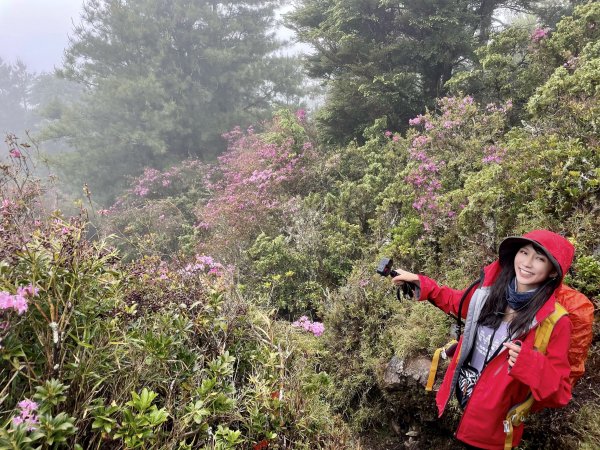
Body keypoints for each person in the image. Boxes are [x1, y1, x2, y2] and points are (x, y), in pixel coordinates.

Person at [391, 230, 574, 449]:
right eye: (524, 252)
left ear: (553, 271)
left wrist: (530, 364)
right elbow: (456, 302)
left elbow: (560, 393)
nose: (527, 263)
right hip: (464, 401)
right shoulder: (491, 292)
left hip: (495, 429)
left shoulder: (556, 322)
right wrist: (421, 283)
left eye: (540, 258)